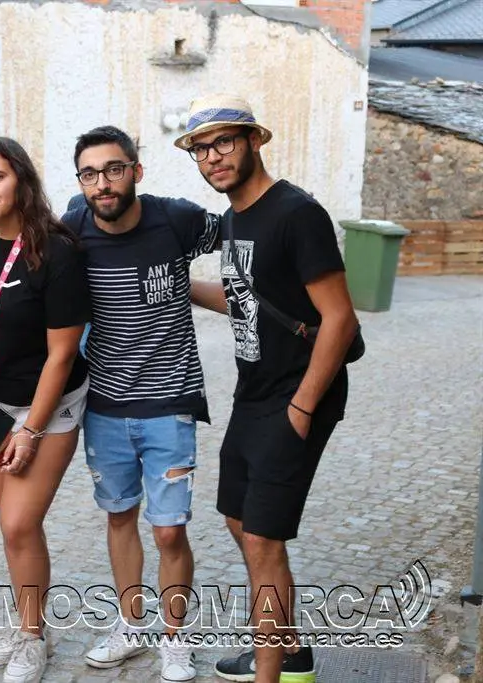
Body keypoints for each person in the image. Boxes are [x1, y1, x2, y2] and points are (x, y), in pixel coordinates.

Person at [180, 95, 359, 683]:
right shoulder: (234, 219)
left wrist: (302, 408)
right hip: (253, 392)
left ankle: (271, 673)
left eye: (224, 142)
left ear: (255, 140)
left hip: (298, 394)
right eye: (201, 149)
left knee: (261, 538)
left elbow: (340, 319)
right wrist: (180, 286)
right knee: (238, 519)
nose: (213, 157)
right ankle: (290, 650)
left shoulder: (296, 213)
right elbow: (245, 298)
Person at [63, 125, 219, 681]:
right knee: (120, 515)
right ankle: (132, 625)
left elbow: (245, 231)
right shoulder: (72, 229)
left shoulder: (176, 219)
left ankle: (176, 638)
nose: (102, 183)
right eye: (90, 174)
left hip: (169, 402)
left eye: (113, 169)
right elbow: (18, 245)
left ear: (136, 171)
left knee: (170, 529)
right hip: (104, 406)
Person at [0, 136, 90, 683]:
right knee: (15, 527)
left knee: (18, 520)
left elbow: (62, 354)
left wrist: (31, 429)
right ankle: (27, 624)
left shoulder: (57, 251)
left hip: (45, 412)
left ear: (22, 180)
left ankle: (32, 637)